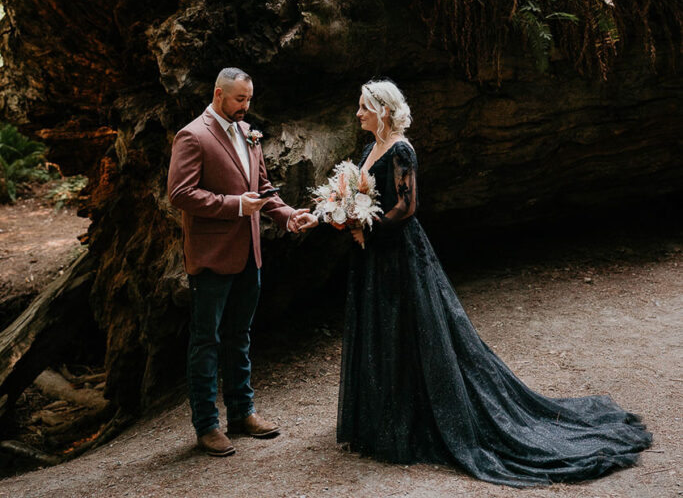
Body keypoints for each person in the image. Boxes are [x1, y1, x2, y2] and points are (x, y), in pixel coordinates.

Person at [308, 79, 652, 488]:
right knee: (385, 332)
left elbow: (408, 206)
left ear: (382, 110)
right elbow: (365, 194)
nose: (358, 113)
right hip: (373, 258)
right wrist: (341, 212)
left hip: (399, 255)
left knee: (415, 331)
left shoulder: (401, 148)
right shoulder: (370, 149)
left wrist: (368, 224)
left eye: (364, 107)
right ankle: (387, 418)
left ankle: (422, 420)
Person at [168, 67, 316, 457]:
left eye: (249, 99)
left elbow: (262, 188)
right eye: (239, 99)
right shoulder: (192, 135)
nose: (246, 107)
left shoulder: (249, 133)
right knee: (206, 341)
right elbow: (180, 193)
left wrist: (286, 215)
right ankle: (207, 426)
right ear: (218, 95)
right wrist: (234, 206)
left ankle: (242, 412)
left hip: (250, 251)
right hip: (212, 256)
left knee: (240, 335)